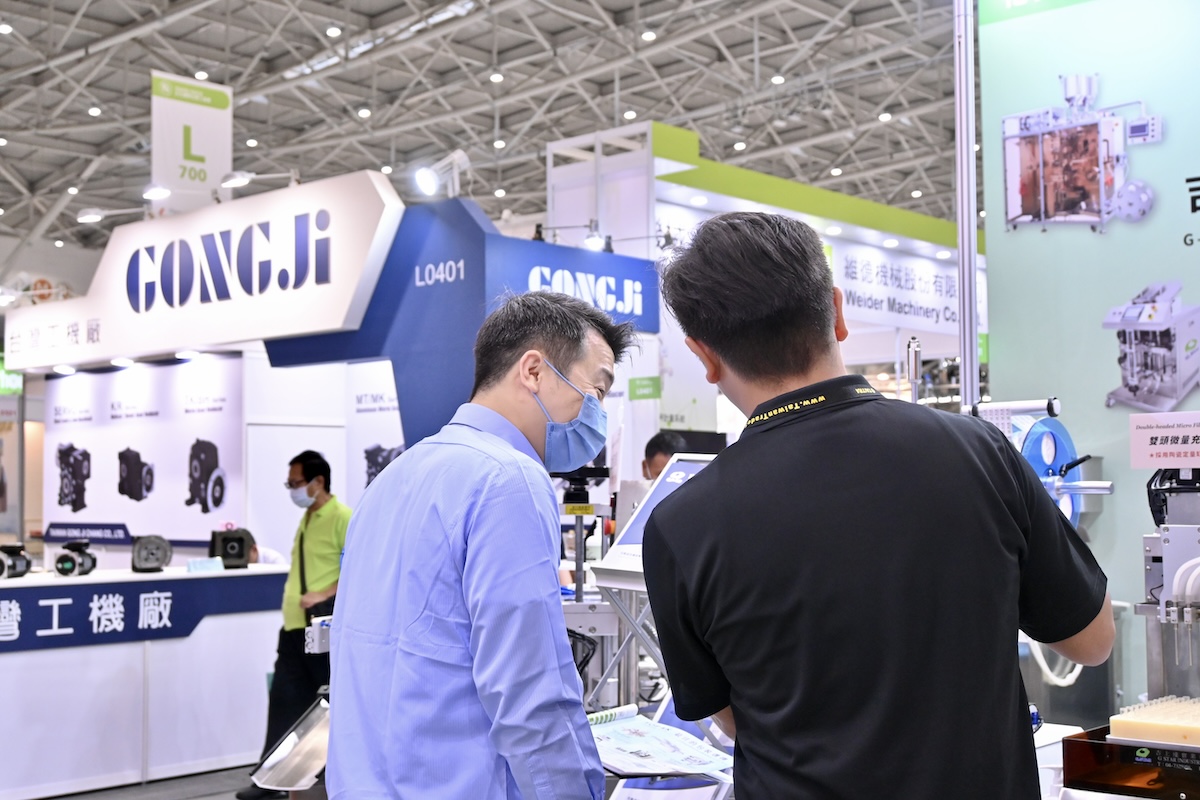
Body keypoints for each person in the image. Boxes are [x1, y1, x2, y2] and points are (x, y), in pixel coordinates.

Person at [641, 212, 1114, 799]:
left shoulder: (680, 526)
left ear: (704, 356)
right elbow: (1092, 641)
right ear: (837, 312)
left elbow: (737, 718)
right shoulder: (980, 453)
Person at [327, 292, 634, 799]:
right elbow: (530, 691)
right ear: (533, 371)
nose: (598, 413)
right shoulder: (509, 480)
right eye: (596, 391)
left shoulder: (395, 475)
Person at [236, 451, 351, 800]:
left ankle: (333, 775)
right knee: (284, 702)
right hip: (294, 629)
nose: (293, 490)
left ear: (319, 482)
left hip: (322, 630)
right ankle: (271, 780)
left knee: (330, 709)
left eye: (296, 483)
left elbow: (356, 569)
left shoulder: (342, 517)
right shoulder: (308, 517)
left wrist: (323, 594)